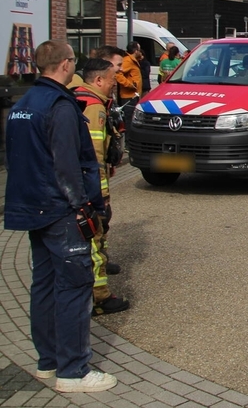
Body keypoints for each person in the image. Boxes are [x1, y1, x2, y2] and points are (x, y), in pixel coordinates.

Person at [3, 41, 118, 393]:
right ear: (66, 64)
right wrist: (87, 209)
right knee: (73, 287)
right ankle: (74, 370)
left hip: (32, 208)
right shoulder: (61, 106)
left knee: (45, 286)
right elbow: (69, 166)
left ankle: (49, 362)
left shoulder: (23, 105)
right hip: (61, 211)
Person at [74, 58, 131, 317]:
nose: (113, 84)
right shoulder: (94, 107)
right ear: (98, 80)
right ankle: (100, 297)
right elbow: (93, 156)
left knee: (97, 237)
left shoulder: (79, 99)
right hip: (92, 185)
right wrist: (101, 197)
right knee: (96, 233)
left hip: (84, 183)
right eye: (110, 79)